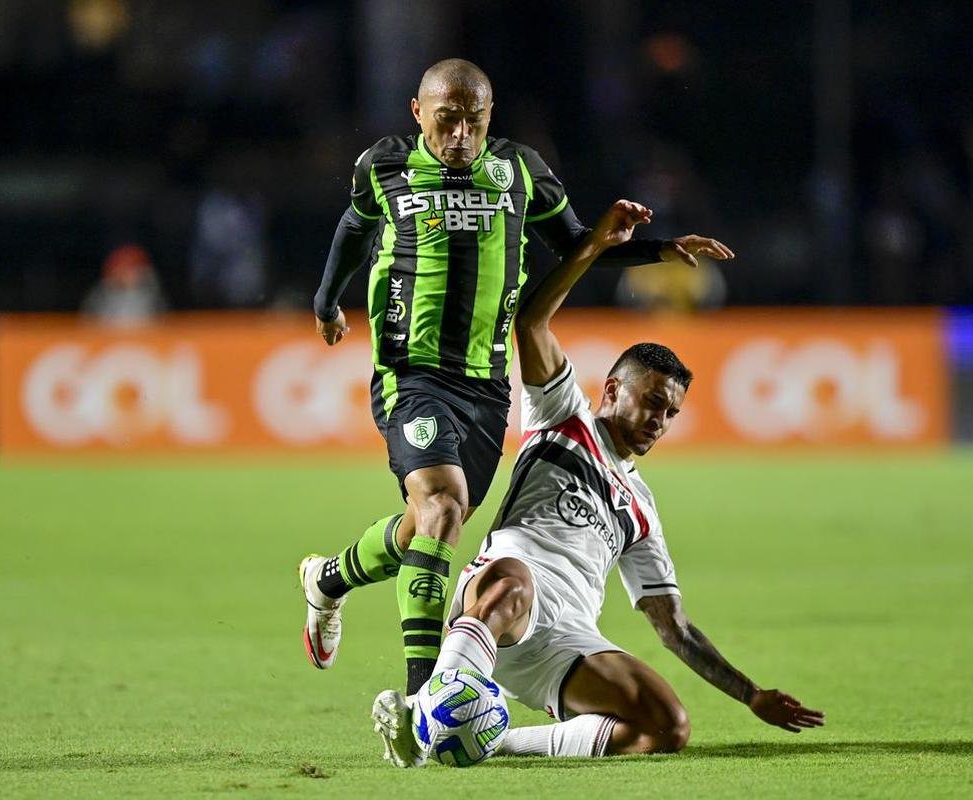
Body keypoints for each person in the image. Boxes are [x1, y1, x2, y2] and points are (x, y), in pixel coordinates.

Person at [298, 57, 734, 700]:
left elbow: (578, 243)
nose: (460, 135)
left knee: (428, 524)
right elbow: (355, 226)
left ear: (489, 116)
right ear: (418, 113)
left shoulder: (520, 171)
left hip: (485, 387)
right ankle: (423, 699)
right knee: (444, 506)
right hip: (412, 372)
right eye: (446, 120)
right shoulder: (382, 165)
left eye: (473, 121)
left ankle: (329, 580)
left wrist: (661, 249)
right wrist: (327, 301)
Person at [372, 200, 822, 767]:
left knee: (667, 726)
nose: (660, 420)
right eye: (652, 401)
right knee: (512, 579)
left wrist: (750, 694)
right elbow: (531, 324)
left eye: (671, 412)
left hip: (568, 637)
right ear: (612, 390)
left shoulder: (640, 510)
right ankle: (424, 713)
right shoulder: (564, 416)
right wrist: (593, 247)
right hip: (502, 603)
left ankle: (497, 740)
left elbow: (674, 628)